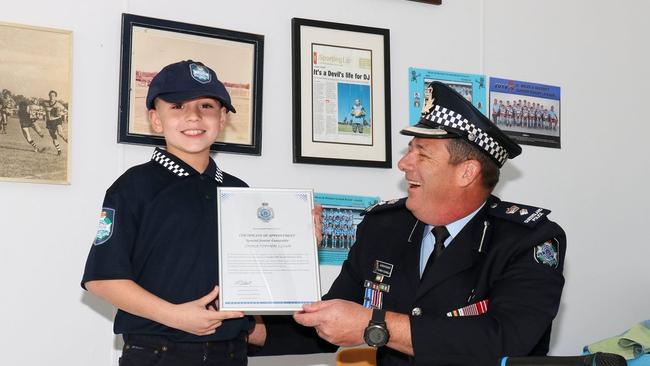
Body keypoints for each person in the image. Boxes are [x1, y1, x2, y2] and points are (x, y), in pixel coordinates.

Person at [251, 82, 566, 366]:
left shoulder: (529, 239)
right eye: (409, 150)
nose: (404, 163)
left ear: (467, 173)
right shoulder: (384, 227)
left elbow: (504, 338)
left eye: (422, 153)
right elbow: (331, 324)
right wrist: (243, 324)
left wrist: (376, 324)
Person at [81, 60, 253, 366]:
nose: (193, 116)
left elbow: (255, 274)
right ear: (155, 120)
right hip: (157, 354)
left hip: (230, 354)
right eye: (176, 106)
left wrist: (299, 242)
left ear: (223, 117)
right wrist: (175, 316)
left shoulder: (240, 192)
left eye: (206, 105)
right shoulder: (133, 187)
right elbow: (103, 278)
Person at [44, 90, 68, 155]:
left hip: (57, 120)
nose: (52, 97)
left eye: (53, 96)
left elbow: (66, 111)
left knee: (60, 133)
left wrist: (60, 113)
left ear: (55, 97)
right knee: (54, 137)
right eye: (50, 95)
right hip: (49, 122)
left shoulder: (58, 104)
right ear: (49, 96)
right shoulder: (45, 103)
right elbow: (39, 107)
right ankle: (59, 151)